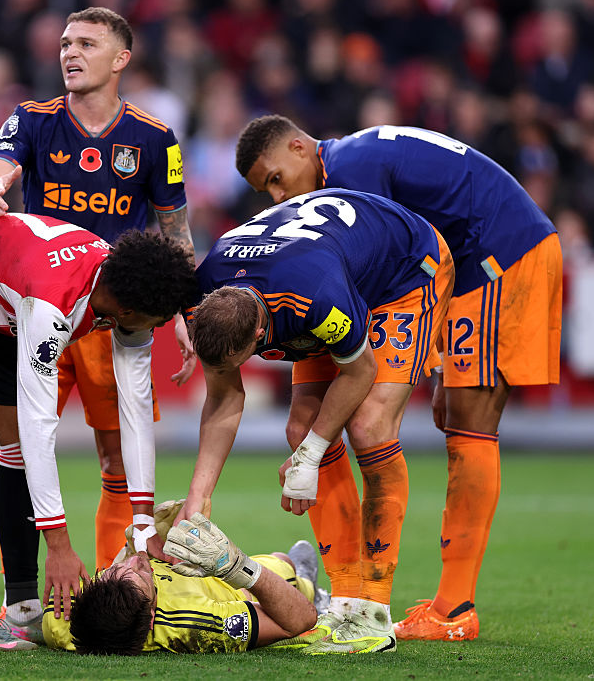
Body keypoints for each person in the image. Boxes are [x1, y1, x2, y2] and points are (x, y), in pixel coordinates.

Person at [234, 117, 562, 641]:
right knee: (449, 416)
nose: (276, 198)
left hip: (498, 252)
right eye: (264, 191)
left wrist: (421, 362)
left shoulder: (353, 175)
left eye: (276, 179)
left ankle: (454, 610)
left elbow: (398, 267)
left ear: (300, 147)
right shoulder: (348, 164)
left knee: (469, 422)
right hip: (459, 261)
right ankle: (356, 590)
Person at [0, 10, 197, 612]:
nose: (70, 52)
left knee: (115, 455)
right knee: (16, 450)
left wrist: (184, 311)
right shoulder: (33, 119)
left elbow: (176, 235)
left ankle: (110, 592)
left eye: (87, 44)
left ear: (121, 59)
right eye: (66, 43)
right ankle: (24, 598)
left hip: (108, 316)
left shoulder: (153, 138)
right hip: (37, 310)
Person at [0, 213, 195, 651]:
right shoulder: (53, 305)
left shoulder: (122, 288)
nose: (156, 329)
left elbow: (131, 410)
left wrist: (144, 523)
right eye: (155, 321)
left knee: (15, 447)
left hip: (0, 303)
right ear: (129, 312)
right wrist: (58, 545)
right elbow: (41, 426)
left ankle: (21, 612)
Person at [183, 188, 453, 654]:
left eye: (239, 360)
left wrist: (309, 455)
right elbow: (224, 397)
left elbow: (361, 368)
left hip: (404, 270)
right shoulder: (203, 295)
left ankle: (372, 610)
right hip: (329, 266)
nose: (230, 370)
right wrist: (198, 497)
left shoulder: (313, 299)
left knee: (368, 427)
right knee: (299, 430)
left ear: (262, 337)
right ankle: (344, 597)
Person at [44, 502, 319, 655]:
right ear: (151, 617)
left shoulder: (59, 619)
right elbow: (298, 620)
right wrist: (238, 567)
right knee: (285, 562)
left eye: (114, 570)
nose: (136, 560)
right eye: (142, 574)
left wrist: (128, 553)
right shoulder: (194, 625)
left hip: (187, 573)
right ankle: (312, 586)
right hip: (234, 592)